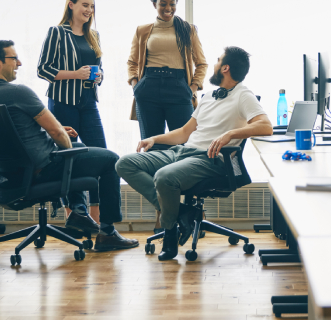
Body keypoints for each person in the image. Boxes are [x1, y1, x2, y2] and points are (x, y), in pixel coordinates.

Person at [0, 40, 138, 251]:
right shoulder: (17, 92)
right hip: (44, 168)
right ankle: (107, 232)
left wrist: (59, 132)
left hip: (13, 175)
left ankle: (78, 213)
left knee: (71, 142)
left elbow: (16, 132)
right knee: (111, 160)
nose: (18, 63)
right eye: (13, 58)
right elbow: (56, 132)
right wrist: (62, 139)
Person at [116, 46, 272, 261]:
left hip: (209, 160)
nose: (214, 64)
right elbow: (184, 132)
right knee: (124, 163)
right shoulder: (209, 96)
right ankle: (182, 213)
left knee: (164, 177)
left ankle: (170, 231)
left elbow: (266, 126)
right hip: (181, 151)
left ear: (225, 68)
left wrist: (231, 134)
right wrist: (155, 139)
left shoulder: (243, 96)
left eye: (218, 61)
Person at [38, 0, 105, 222]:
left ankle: (101, 219)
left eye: (92, 7)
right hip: (63, 102)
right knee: (71, 156)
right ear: (71, 5)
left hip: (88, 102)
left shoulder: (93, 36)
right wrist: (75, 74)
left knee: (101, 155)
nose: (89, 10)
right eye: (85, 5)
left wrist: (98, 77)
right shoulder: (57, 32)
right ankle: (77, 215)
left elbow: (99, 69)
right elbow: (43, 69)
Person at [127, 0, 208, 139]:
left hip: (179, 88)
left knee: (183, 144)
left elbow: (201, 63)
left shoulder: (187, 30)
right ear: (154, 5)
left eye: (172, 4)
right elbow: (132, 62)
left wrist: (191, 89)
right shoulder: (142, 30)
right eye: (163, 3)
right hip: (148, 89)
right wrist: (136, 86)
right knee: (151, 144)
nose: (168, 8)